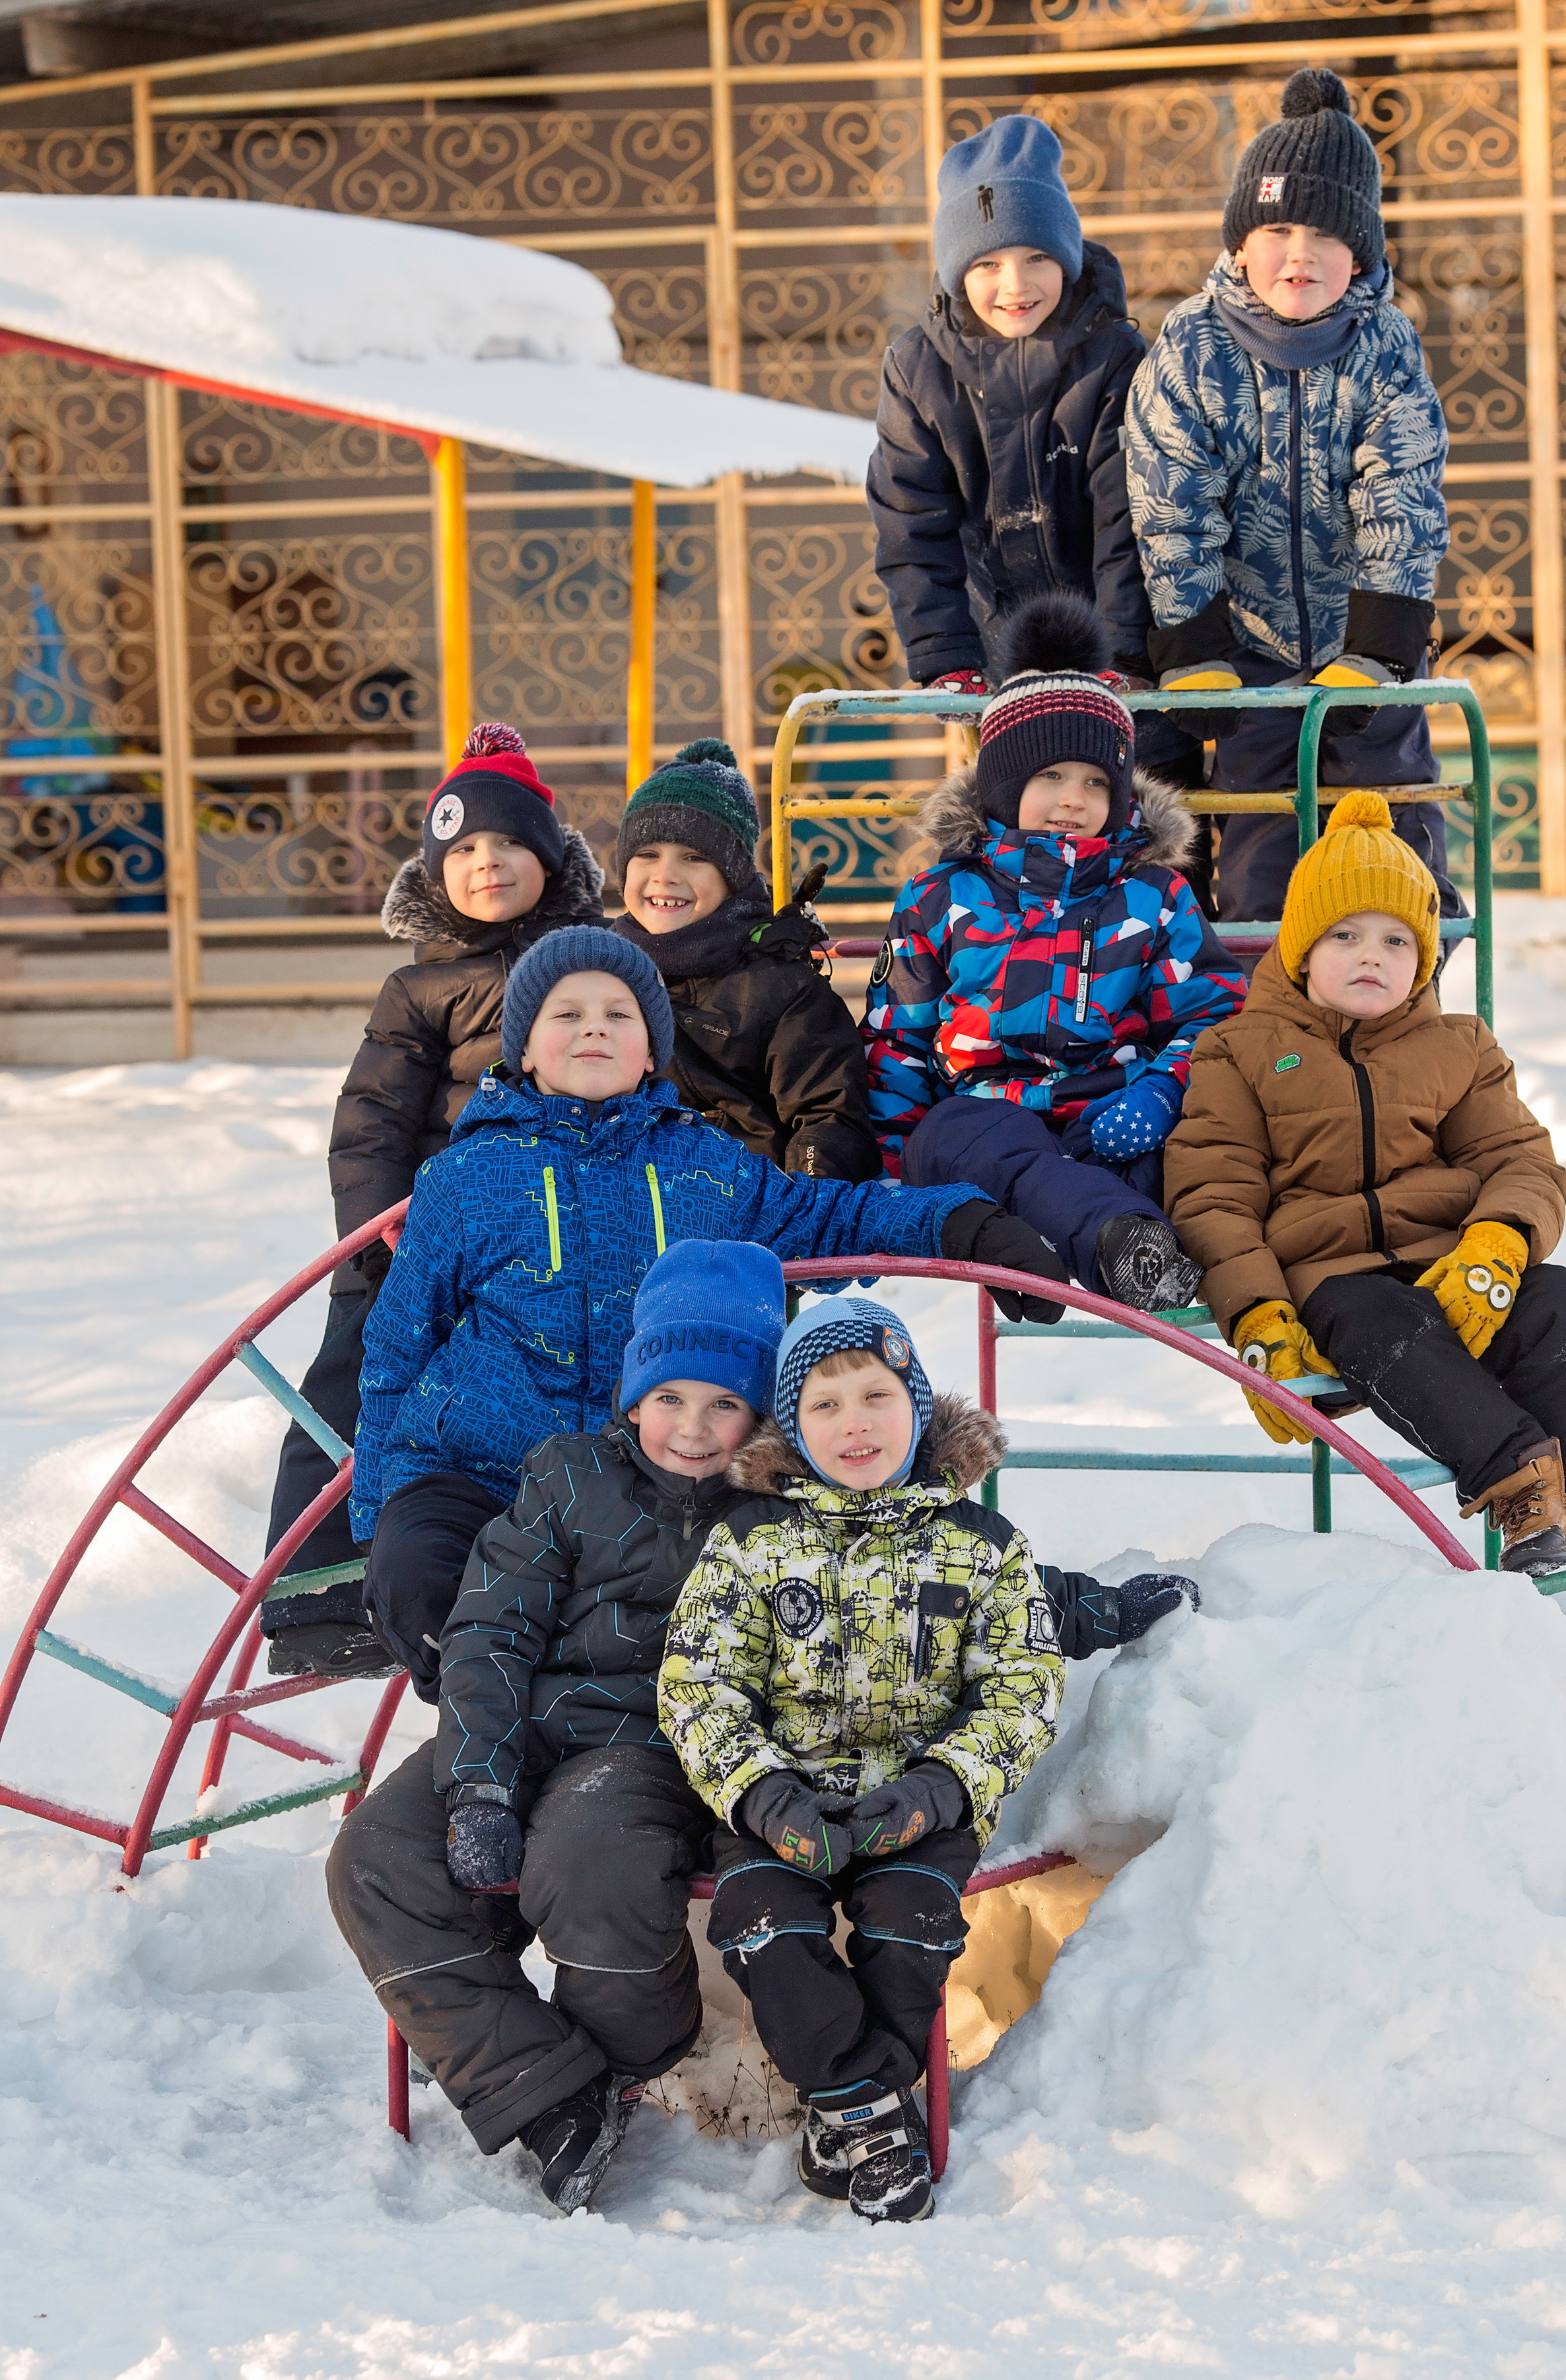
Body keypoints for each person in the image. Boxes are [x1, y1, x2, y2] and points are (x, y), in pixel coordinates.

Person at [329, 1241, 1197, 2216]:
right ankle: (536, 2083)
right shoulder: (567, 1478)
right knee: (375, 1858)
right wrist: (482, 1781)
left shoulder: (782, 1503)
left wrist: (1098, 1607)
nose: (694, 1430)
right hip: (524, 1726)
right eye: (669, 1397)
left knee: (593, 1864)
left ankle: (626, 2054)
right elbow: (491, 1629)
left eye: (726, 1404)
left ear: (765, 1417)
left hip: (662, 1743)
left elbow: (928, 1566)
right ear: (633, 1396)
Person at [352, 924, 1071, 1700]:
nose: (594, 1028)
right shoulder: (464, 1178)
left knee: (756, 1593)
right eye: (567, 1014)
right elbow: (397, 1345)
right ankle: (497, 1725)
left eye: (619, 1014)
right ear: (523, 1049)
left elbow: (834, 1217)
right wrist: (379, 1516)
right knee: (423, 1581)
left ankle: (662, 1722)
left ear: (651, 1053)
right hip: (486, 1474)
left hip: (665, 1476)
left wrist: (963, 1225)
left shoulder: (706, 1167)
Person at [659, 1298, 1189, 2223]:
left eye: (877, 1396)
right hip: (783, 1803)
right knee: (763, 1929)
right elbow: (698, 1686)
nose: (855, 1423)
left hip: (919, 1803)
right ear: (795, 1428)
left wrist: (942, 1787)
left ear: (917, 1407)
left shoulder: (983, 1547)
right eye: (825, 1406)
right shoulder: (750, 1544)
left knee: (912, 1930)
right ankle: (868, 2110)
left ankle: (849, 2113)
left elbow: (1021, 1685)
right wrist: (764, 1795)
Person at [1163, 790, 1566, 1574]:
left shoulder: (1457, 1047)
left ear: (1422, 957)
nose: (1371, 956)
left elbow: (1517, 1157)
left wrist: (1498, 1240)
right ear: (1300, 948)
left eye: (1396, 939)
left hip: (1456, 1272)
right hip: (1334, 1291)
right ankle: (1517, 1482)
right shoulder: (1238, 1051)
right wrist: (1255, 1316)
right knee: (1376, 1316)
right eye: (1344, 934)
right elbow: (1214, 1195)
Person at [261, 722, 604, 1681]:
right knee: (355, 1376)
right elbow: (369, 1125)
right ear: (435, 875)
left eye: (508, 845)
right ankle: (318, 1598)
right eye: (463, 851)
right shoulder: (418, 989)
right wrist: (381, 1243)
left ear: (549, 859)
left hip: (543, 1235)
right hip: (419, 1236)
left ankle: (553, 1572)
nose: (486, 864)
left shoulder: (589, 967)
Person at [1124, 67, 1460, 925]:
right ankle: (1265, 995)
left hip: (1365, 648)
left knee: (1392, 836)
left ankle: (1403, 988)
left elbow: (1402, 497)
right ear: (1241, 244)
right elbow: (1172, 502)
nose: (1300, 254)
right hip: (1250, 654)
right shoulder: (1193, 349)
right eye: (1276, 229)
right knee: (1260, 851)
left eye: (1326, 235)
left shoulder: (1385, 348)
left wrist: (1380, 649)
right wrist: (1194, 644)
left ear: (1362, 255)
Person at [861, 591, 1247, 1312]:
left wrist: (1162, 1091)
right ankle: (1109, 1243)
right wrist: (884, 1180)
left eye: (1096, 782)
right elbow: (898, 1042)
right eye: (1050, 777)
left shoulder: (1151, 894)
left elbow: (1214, 1015)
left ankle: (1080, 1249)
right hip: (981, 1123)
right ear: (1005, 783)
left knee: (1172, 1162)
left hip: (1110, 1119)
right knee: (951, 1136)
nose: (1073, 798)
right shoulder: (941, 895)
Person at [867, 112, 1150, 696]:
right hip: (994, 650)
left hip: (1119, 652)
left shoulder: (1112, 358)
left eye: (1037, 258)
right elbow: (912, 525)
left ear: (1066, 258)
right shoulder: (919, 373)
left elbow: (1128, 518)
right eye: (987, 264)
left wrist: (1122, 653)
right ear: (957, 274)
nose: (1016, 285)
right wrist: (947, 658)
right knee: (1023, 757)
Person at [611, 735, 879, 1180]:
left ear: (732, 877)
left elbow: (828, 1119)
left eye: (694, 857)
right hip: (623, 1196)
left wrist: (801, 1199)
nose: (665, 875)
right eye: (647, 855)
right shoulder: (597, 973)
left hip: (746, 1195)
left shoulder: (781, 988)